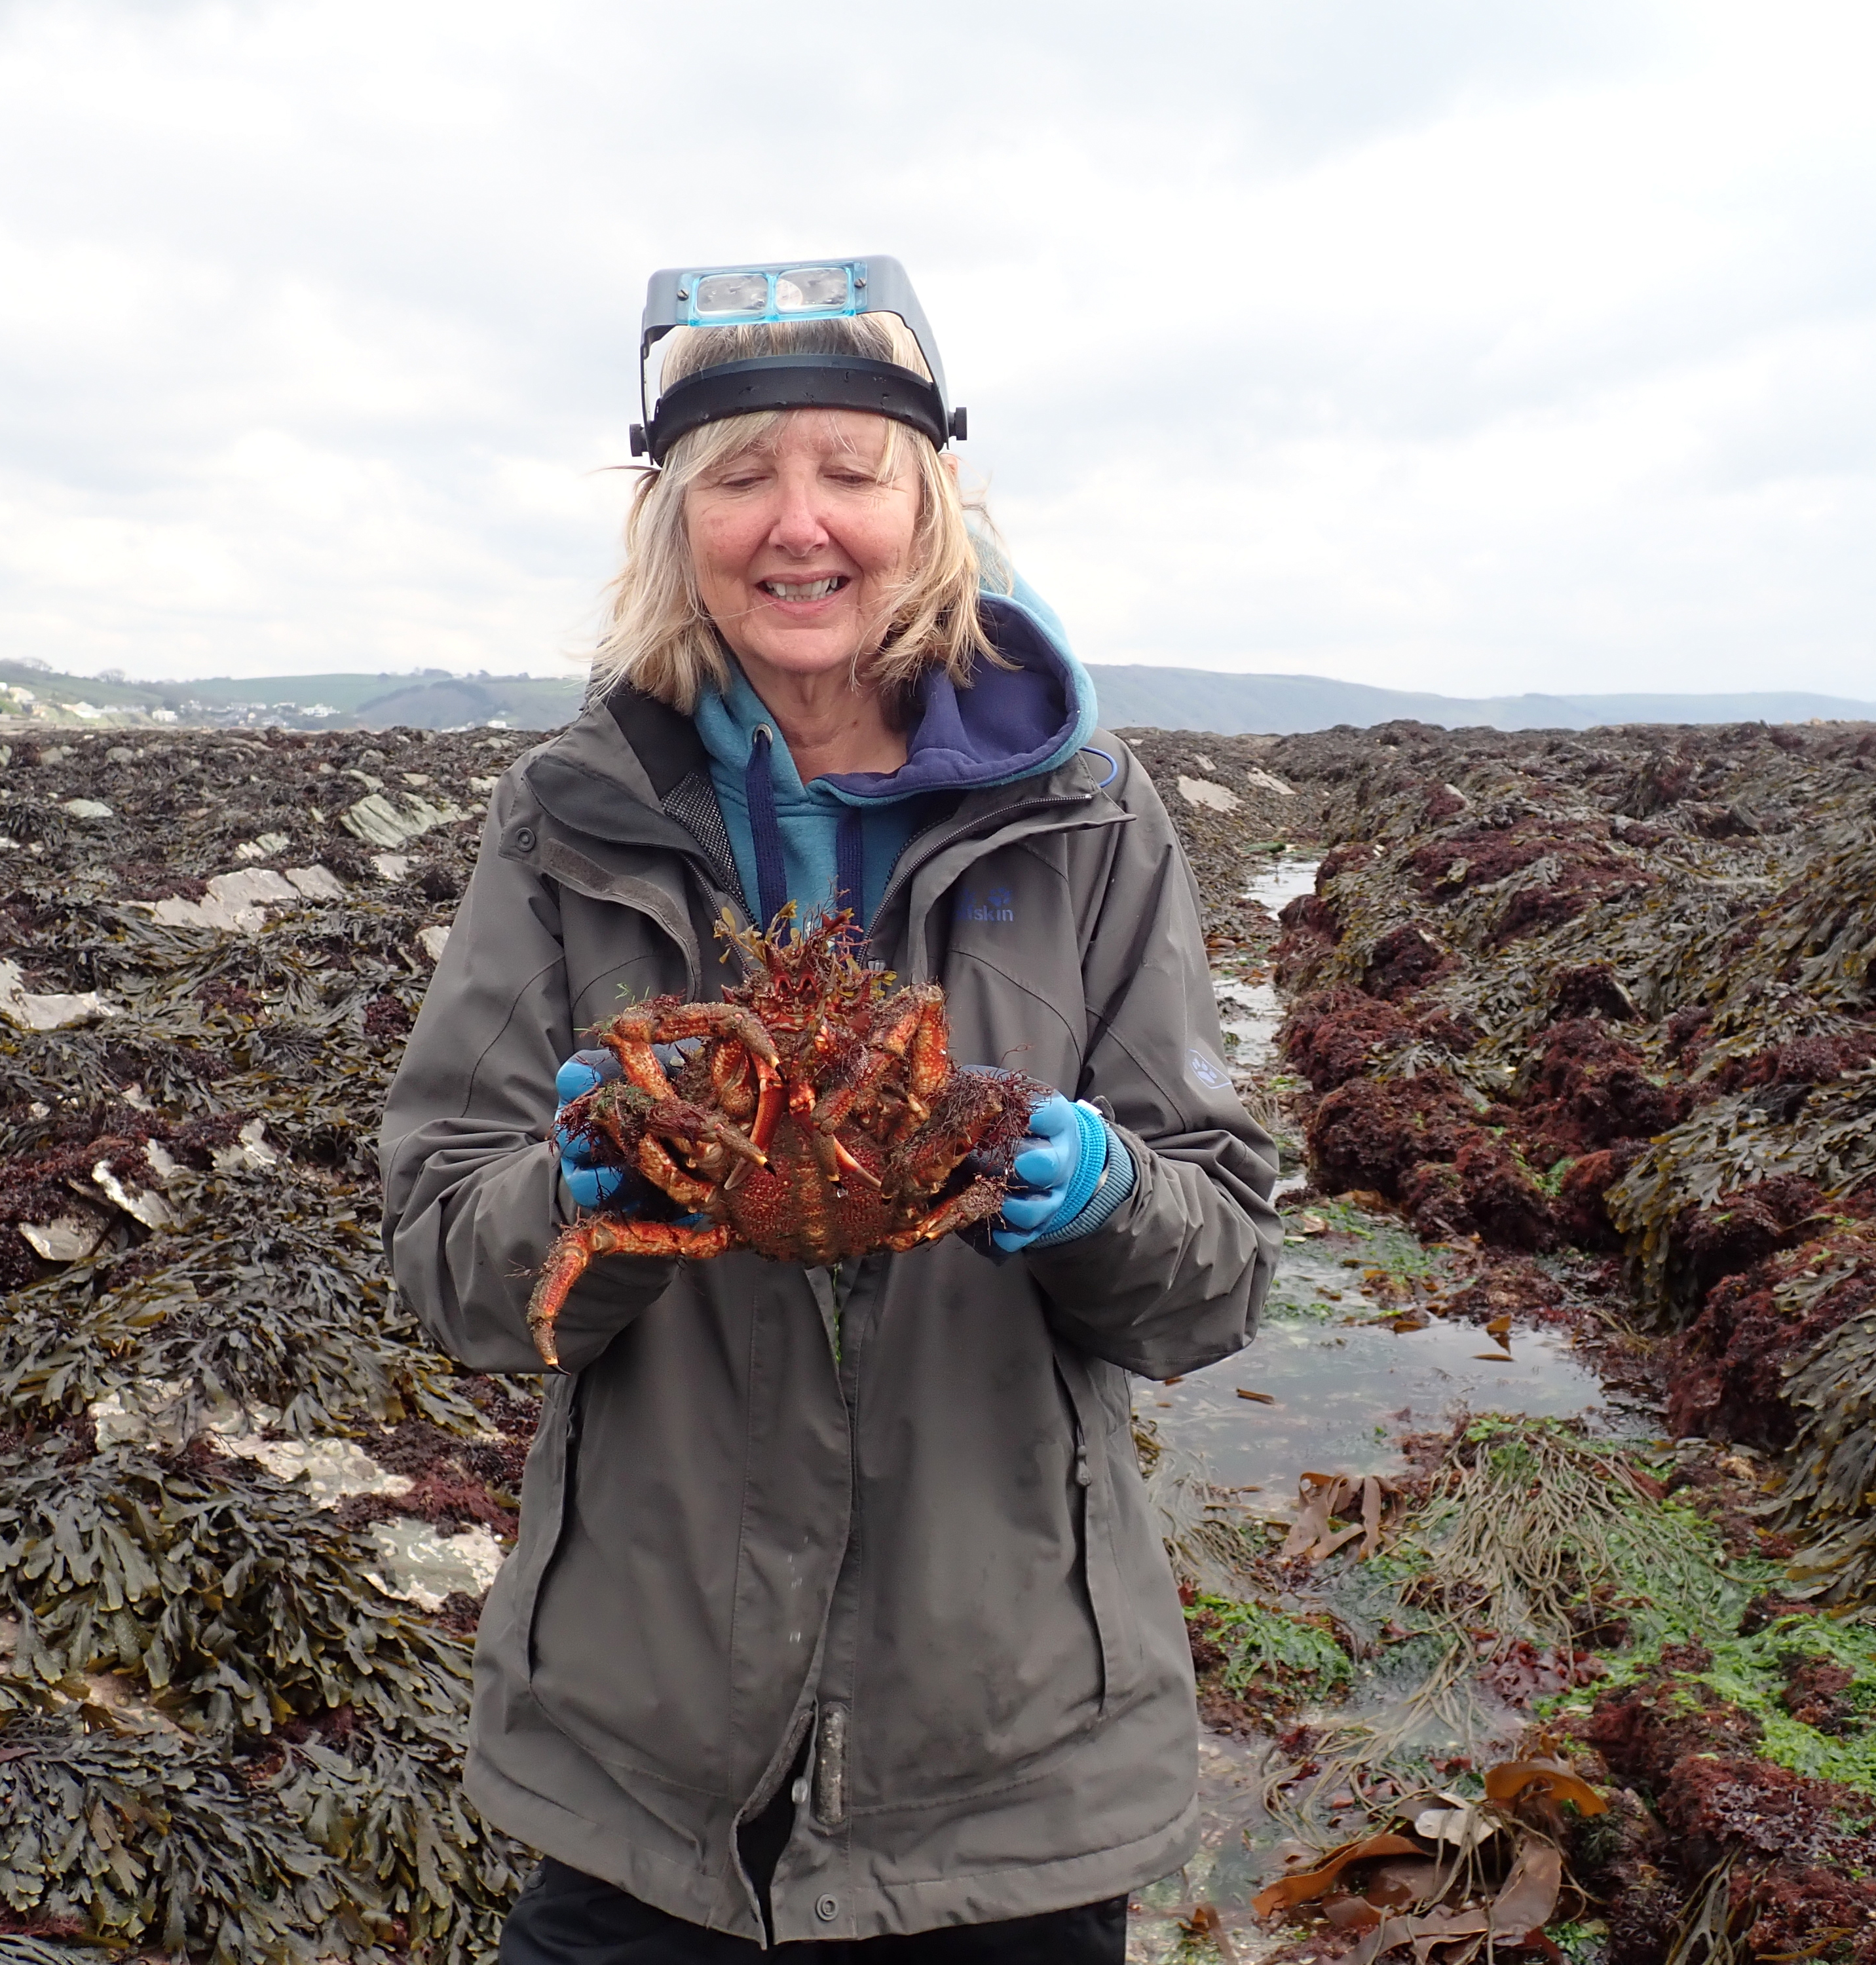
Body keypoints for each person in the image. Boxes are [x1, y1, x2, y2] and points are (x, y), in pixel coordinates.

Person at [381, 257, 1278, 1962]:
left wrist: (1100, 1193)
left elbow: (1219, 1270)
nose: (800, 525)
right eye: (739, 475)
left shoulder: (1090, 820)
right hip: (649, 1775)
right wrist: (577, 1189)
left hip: (1008, 1770)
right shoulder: (567, 820)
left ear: (931, 498)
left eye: (852, 470)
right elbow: (451, 1272)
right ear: (673, 518)